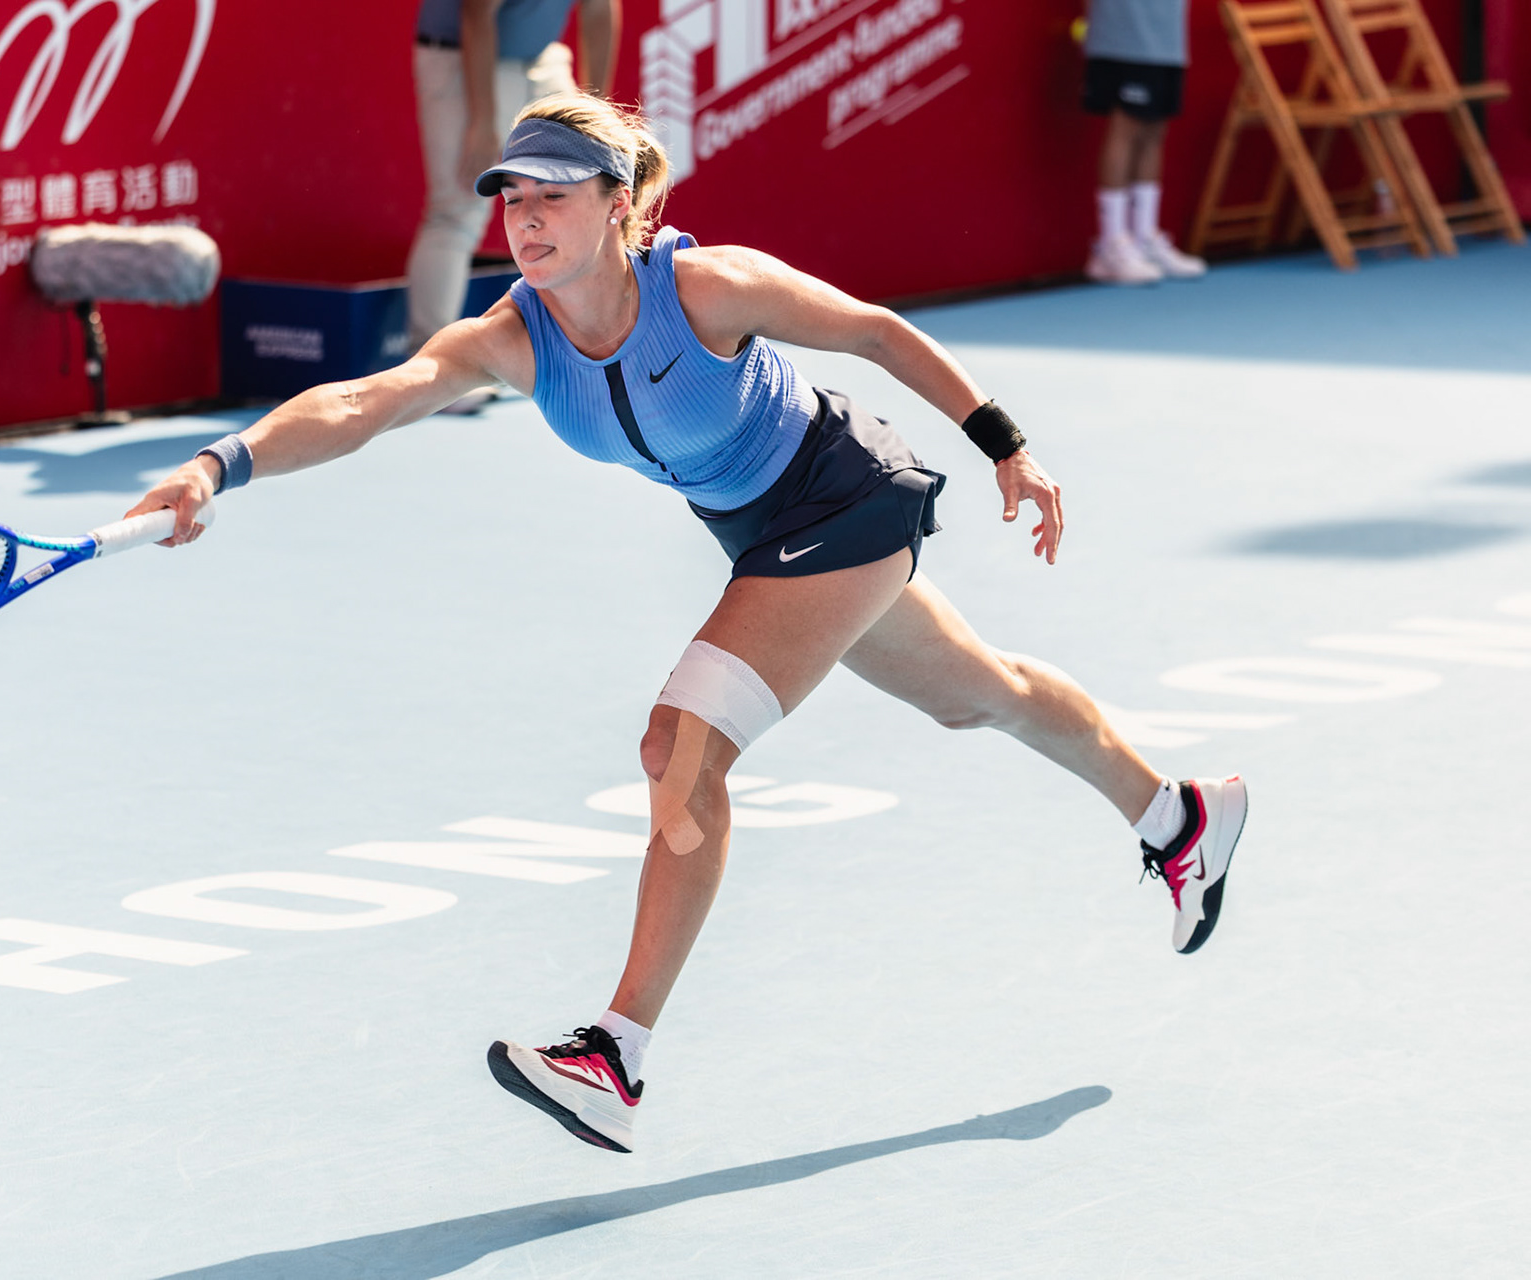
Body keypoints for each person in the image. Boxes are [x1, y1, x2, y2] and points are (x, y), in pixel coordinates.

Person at [128, 95, 1248, 1154]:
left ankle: (615, 1052)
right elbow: (365, 401)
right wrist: (218, 463)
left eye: (553, 196)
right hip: (762, 536)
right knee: (978, 693)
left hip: (846, 494)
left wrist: (1006, 444)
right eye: (513, 197)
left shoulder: (706, 287)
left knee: (682, 741)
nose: (525, 218)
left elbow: (871, 329)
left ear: (619, 205)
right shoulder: (510, 339)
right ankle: (1179, 813)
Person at [407, 0, 621, 392]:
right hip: (462, 61)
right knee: (455, 214)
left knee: (587, 203)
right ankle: (431, 376)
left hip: (542, 60)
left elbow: (598, 10)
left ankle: (592, 353)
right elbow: (476, 12)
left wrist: (596, 113)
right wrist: (483, 122)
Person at [1081, 0, 1208, 284]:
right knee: (1126, 126)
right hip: (1125, 34)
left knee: (1154, 130)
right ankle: (1111, 244)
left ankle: (1143, 238)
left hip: (1168, 37)